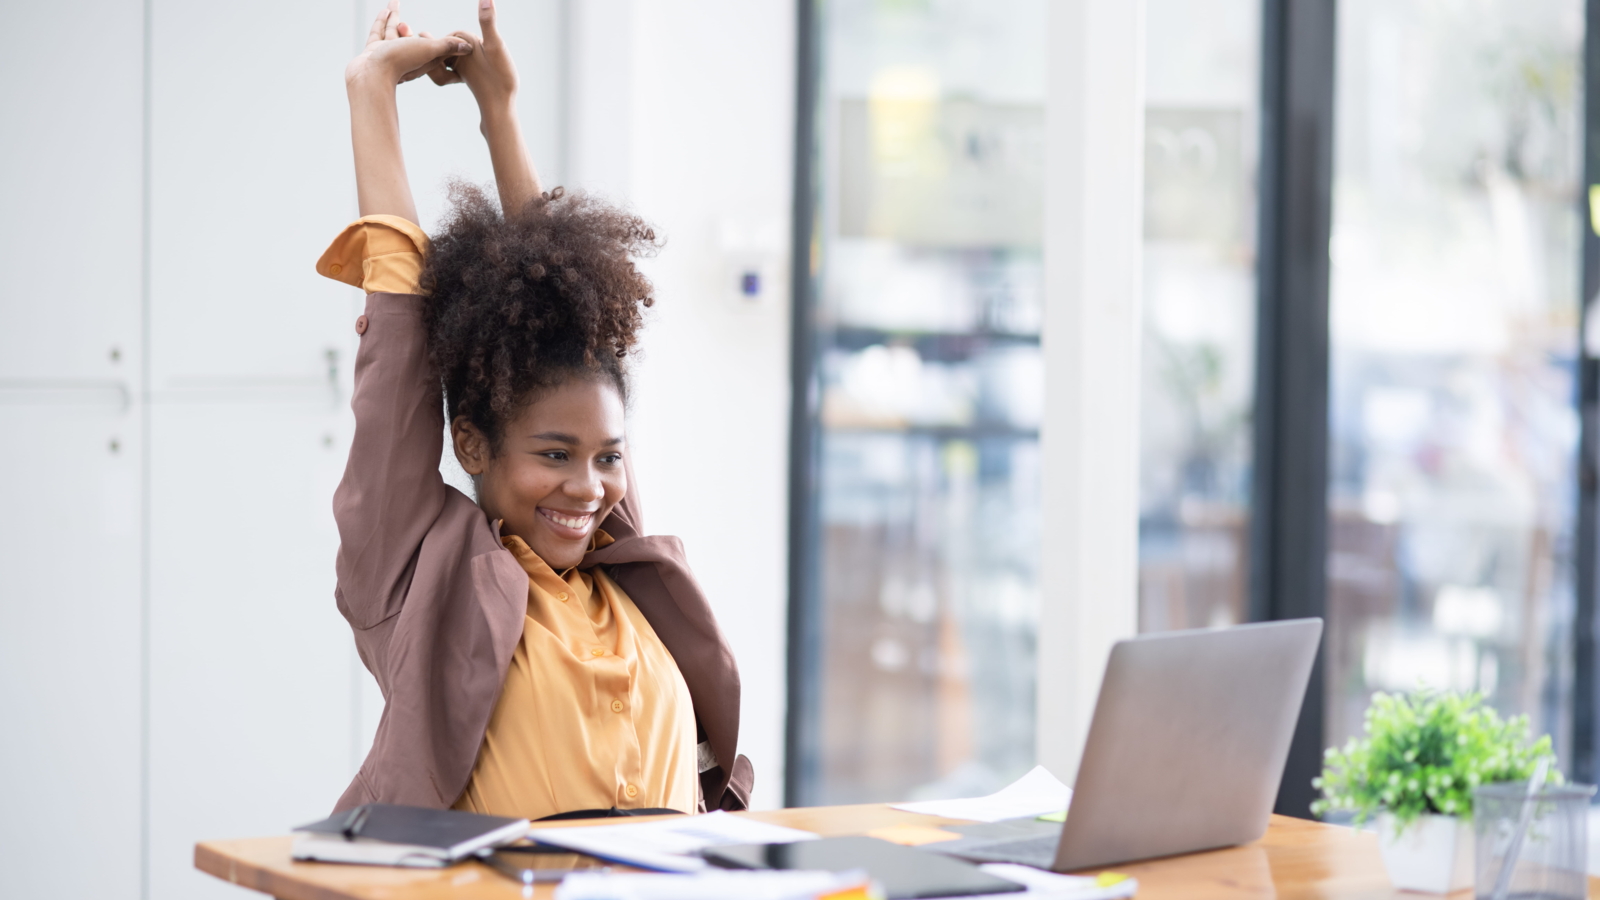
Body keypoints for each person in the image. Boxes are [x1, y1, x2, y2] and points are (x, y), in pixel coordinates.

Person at [318, 0, 752, 819]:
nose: (588, 487)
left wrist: (500, 113)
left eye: (608, 456)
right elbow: (399, 356)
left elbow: (563, 302)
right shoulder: (422, 576)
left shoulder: (621, 567)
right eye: (553, 455)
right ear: (472, 444)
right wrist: (371, 94)